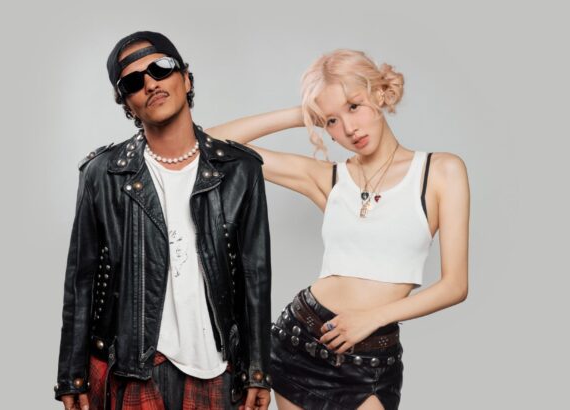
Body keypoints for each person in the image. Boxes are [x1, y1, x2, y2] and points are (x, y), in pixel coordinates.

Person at [205, 49, 470, 409]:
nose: (349, 128)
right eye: (331, 120)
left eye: (354, 106)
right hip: (301, 342)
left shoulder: (440, 172)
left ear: (379, 94)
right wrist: (301, 114)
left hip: (371, 357)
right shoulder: (328, 179)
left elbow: (455, 286)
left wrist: (372, 318)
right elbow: (209, 144)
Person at [54, 31, 272, 410]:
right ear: (127, 103)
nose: (150, 83)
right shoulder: (102, 174)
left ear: (185, 79)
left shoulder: (240, 170)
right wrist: (72, 374)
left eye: (161, 68)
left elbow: (255, 276)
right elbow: (81, 280)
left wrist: (258, 370)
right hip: (133, 366)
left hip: (217, 368)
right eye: (133, 82)